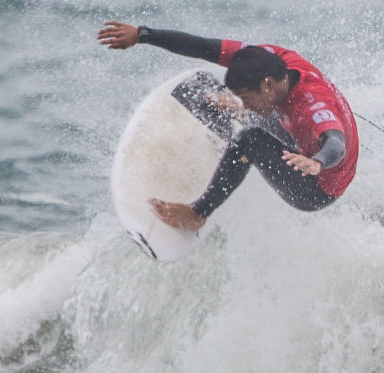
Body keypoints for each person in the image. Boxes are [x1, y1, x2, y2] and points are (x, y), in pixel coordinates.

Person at [96, 21, 359, 232]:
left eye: (246, 97)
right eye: (242, 99)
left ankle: (198, 214)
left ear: (267, 84)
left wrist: (317, 162)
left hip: (318, 185)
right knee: (200, 86)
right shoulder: (270, 59)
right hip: (299, 134)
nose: (247, 102)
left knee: (250, 140)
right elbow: (203, 47)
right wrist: (142, 34)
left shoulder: (314, 106)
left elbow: (336, 143)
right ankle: (238, 117)